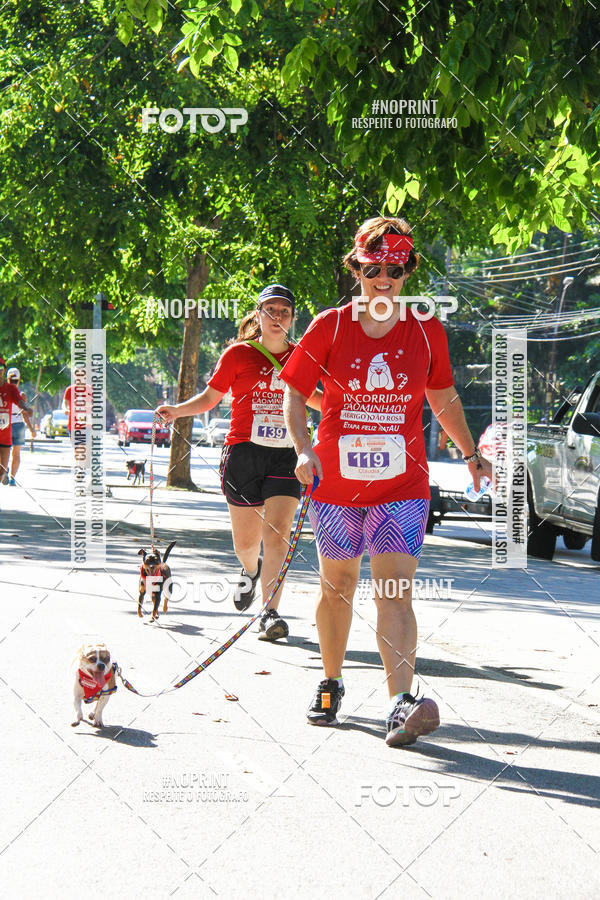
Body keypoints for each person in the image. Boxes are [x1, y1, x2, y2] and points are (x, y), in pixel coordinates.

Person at [281, 217, 493, 747]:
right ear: (356, 268)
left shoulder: (426, 329)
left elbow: (441, 398)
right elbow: (293, 395)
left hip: (402, 484)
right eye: (372, 268)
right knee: (338, 588)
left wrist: (470, 453)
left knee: (395, 591)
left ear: (406, 272)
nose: (383, 278)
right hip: (335, 484)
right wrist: (303, 448)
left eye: (394, 269)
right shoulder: (328, 326)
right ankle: (330, 683)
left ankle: (401, 703)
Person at [157, 285, 322, 641]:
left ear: (294, 318)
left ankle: (270, 613)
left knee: (277, 535)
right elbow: (210, 398)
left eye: (285, 311)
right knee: (247, 545)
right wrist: (175, 411)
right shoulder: (237, 354)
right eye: (271, 310)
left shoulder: (303, 356)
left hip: (286, 455)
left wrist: (358, 408)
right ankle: (250, 570)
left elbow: (317, 400)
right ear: (258, 314)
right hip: (243, 454)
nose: (278, 317)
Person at [0, 358, 33, 485]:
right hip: (12, 427)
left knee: (3, 468)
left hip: (7, 433)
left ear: (4, 371)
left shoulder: (12, 390)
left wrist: (26, 409)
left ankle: (7, 475)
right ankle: (8, 476)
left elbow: (20, 403)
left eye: (1, 368)